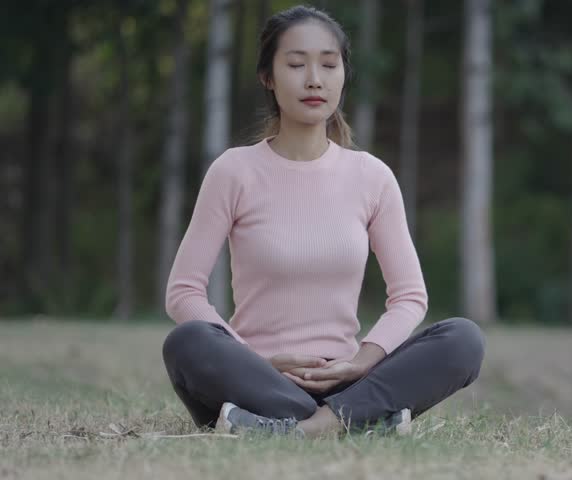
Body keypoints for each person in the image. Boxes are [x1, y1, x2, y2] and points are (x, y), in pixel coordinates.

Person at [161, 4, 485, 440]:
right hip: (256, 379)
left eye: (329, 65)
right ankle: (355, 424)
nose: (314, 78)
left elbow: (410, 296)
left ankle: (303, 428)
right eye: (296, 64)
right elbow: (183, 291)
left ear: (343, 77)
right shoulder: (233, 171)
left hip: (349, 380)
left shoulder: (372, 177)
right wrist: (255, 361)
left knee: (463, 339)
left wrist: (363, 361)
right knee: (187, 343)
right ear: (268, 77)